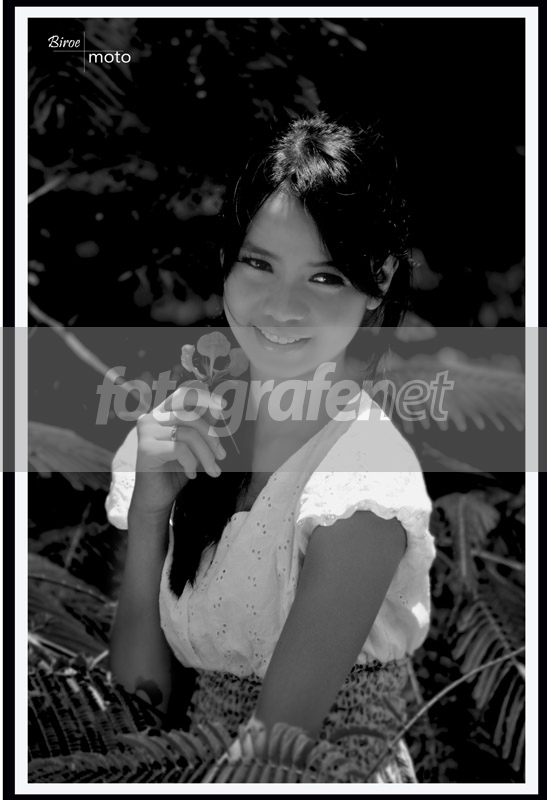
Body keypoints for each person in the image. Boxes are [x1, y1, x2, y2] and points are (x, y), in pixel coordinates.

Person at [106, 113, 436, 783]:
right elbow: (142, 702)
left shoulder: (361, 485)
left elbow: (271, 753)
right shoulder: (187, 426)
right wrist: (150, 509)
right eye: (258, 264)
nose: (281, 307)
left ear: (378, 280)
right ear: (226, 264)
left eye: (325, 277)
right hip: (193, 768)